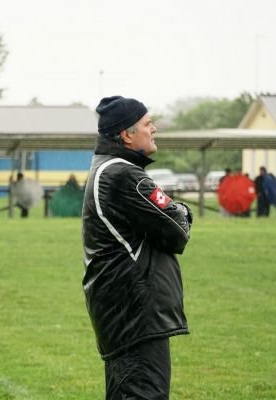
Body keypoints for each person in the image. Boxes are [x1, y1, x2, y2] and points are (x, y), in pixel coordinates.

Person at [82, 96, 193, 399]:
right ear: (126, 134)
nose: (154, 129)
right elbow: (176, 232)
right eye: (147, 123)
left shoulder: (104, 167)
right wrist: (183, 211)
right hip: (136, 313)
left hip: (121, 311)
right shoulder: (124, 174)